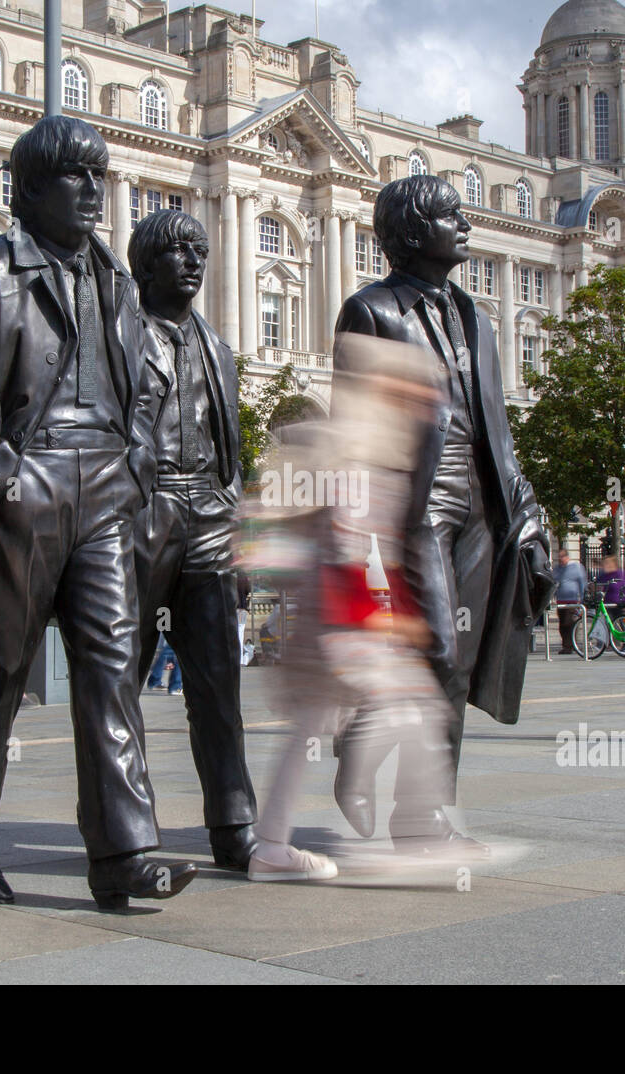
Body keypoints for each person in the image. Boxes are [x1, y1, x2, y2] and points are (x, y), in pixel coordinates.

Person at [0, 115, 196, 913]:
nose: (94, 190)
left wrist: (137, 459)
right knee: (2, 665)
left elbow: (142, 384)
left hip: (108, 488)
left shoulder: (116, 279)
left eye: (99, 174)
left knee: (114, 667)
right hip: (29, 478)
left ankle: (123, 852)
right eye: (75, 176)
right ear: (30, 189)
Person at [333, 175, 553, 857]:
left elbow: (499, 422)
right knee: (436, 645)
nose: (464, 224)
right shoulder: (371, 311)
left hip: (482, 499)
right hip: (415, 496)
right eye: (447, 215)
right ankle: (366, 740)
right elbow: (354, 428)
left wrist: (525, 504)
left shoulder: (477, 316)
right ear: (409, 230)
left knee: (458, 665)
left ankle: (424, 817)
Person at [244, 334, 453, 879]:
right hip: (339, 616)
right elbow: (347, 541)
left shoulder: (375, 442)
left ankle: (274, 845)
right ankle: (384, 822)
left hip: (339, 613)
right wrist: (382, 614)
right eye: (410, 387)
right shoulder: (358, 444)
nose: (422, 400)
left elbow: (371, 544)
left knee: (320, 723)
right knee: (415, 707)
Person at [129, 209, 259, 871]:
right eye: (177, 251)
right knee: (118, 686)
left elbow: (229, 452)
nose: (192, 261)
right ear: (146, 262)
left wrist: (235, 534)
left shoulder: (218, 347)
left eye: (199, 251)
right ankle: (122, 826)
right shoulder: (120, 335)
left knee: (218, 685)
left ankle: (234, 823)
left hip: (208, 516)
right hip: (143, 517)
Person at [552, 548, 588, 655]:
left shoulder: (576, 567)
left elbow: (582, 583)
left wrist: (581, 599)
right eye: (559, 557)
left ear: (567, 557)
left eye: (562, 557)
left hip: (573, 600)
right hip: (560, 600)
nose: (561, 559)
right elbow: (554, 582)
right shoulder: (557, 569)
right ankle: (566, 645)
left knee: (569, 623)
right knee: (562, 624)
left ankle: (569, 646)